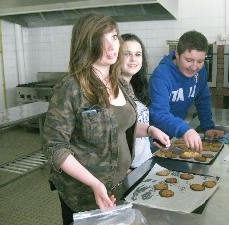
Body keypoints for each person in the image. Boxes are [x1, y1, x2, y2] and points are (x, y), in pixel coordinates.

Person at [43, 14, 170, 225]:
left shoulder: (121, 83)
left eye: (113, 37)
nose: (111, 47)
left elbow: (118, 127)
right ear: (86, 45)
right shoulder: (71, 88)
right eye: (101, 40)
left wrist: (149, 130)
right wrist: (94, 183)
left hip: (118, 185)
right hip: (81, 194)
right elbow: (54, 147)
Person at [149, 30, 221, 152]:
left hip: (174, 134)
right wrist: (185, 129)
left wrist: (207, 127)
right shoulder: (161, 75)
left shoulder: (200, 72)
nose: (194, 67)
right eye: (188, 60)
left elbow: (202, 99)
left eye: (200, 61)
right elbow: (158, 114)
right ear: (177, 54)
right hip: (153, 136)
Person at [120, 33, 153, 169]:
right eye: (127, 54)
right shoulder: (111, 90)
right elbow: (113, 134)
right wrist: (123, 170)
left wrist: (152, 132)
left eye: (138, 54)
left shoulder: (136, 85)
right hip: (127, 169)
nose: (133, 59)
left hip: (145, 161)